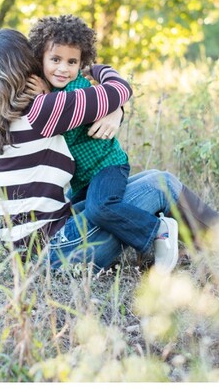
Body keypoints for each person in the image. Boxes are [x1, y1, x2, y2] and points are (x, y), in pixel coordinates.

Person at [0, 28, 219, 273]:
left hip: (32, 257)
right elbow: (117, 92)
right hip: (62, 250)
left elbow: (88, 112)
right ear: (29, 68)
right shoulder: (45, 110)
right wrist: (113, 106)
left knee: (144, 189)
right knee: (161, 184)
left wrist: (112, 113)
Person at [24, 15, 188, 268]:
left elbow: (84, 101)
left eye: (72, 62)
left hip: (107, 166)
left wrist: (117, 107)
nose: (63, 68)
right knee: (81, 216)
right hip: (81, 179)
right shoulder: (50, 89)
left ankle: (158, 231)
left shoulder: (78, 88)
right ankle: (142, 242)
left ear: (82, 63)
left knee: (101, 208)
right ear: (41, 59)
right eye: (55, 60)